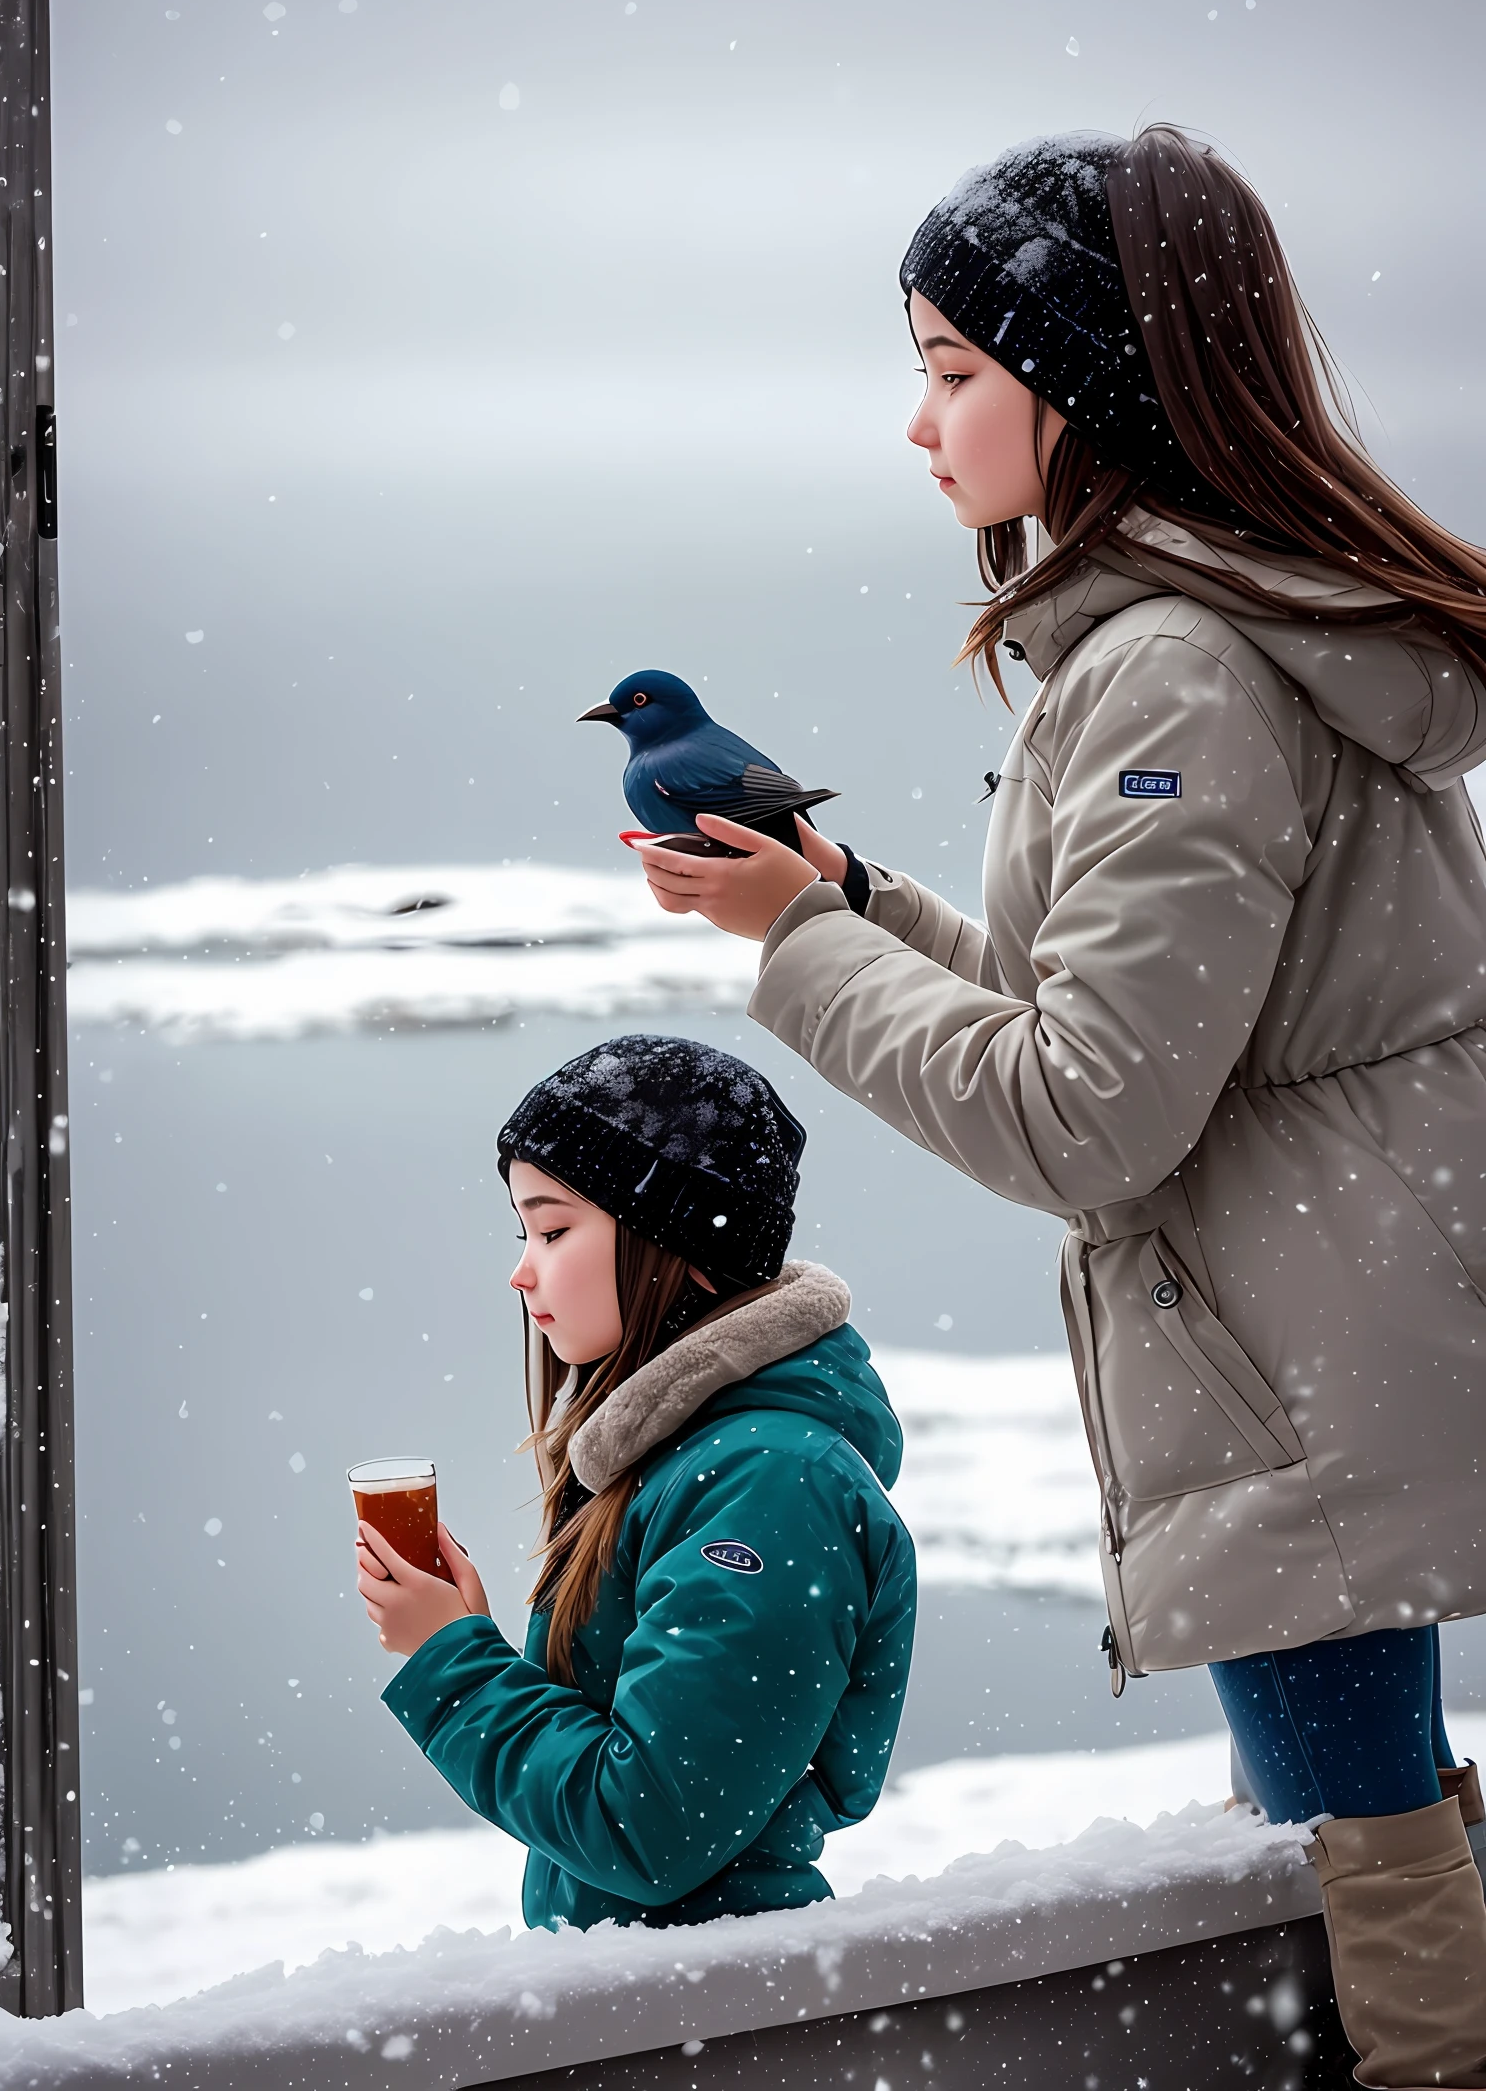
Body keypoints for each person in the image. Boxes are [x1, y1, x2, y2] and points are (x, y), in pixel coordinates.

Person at [634, 127, 1486, 2087]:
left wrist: (796, 951)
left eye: (950, 368)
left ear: (1086, 377)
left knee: (1373, 1861)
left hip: (1299, 1395)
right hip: (1327, 1364)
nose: (918, 424)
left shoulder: (1176, 669)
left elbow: (1088, 1115)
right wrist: (850, 907)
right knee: (1380, 1812)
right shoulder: (1223, 633)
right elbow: (1111, 1010)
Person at [353, 1033, 916, 1931]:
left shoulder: (768, 1486)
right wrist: (458, 1634)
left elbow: (648, 1826)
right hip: (671, 1995)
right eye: (522, 1230)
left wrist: (452, 1664)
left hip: (718, 2017)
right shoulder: (690, 1460)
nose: (521, 1269)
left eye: (554, 1228)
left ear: (680, 1244)